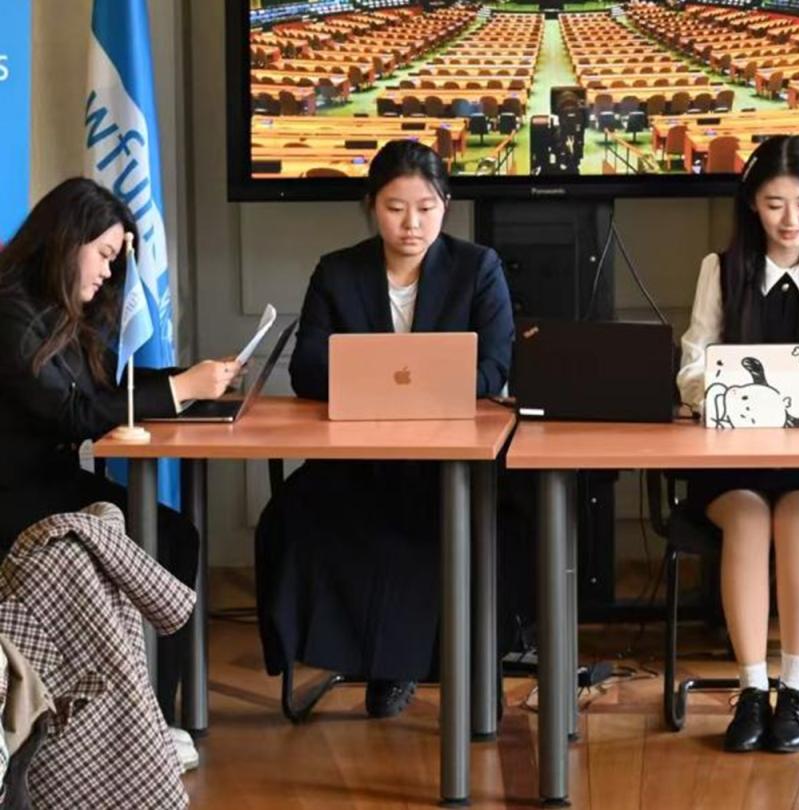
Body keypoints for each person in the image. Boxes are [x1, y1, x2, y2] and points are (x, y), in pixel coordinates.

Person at [255, 140, 515, 718]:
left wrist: (409, 387)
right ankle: (362, 658)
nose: (411, 224)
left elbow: (495, 366)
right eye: (396, 208)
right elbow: (307, 369)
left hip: (449, 459)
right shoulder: (338, 270)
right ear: (372, 206)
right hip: (356, 458)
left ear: (446, 205)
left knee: (446, 518)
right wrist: (397, 385)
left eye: (426, 208)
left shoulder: (477, 268)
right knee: (292, 518)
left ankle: (426, 667)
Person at [0, 177, 240, 731]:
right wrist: (182, 390)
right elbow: (73, 413)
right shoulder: (10, 313)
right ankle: (153, 716)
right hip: (16, 496)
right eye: (105, 255)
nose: (110, 272)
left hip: (48, 483)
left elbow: (110, 385)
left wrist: (193, 381)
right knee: (167, 538)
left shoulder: (53, 309)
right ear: (68, 242)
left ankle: (157, 709)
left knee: (172, 535)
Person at [674, 134, 799, 753]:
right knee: (747, 519)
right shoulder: (720, 269)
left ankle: (795, 690)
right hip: (732, 460)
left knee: (796, 519)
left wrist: (759, 388)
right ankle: (752, 689)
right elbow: (692, 365)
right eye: (774, 204)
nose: (791, 220)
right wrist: (719, 390)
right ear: (752, 205)